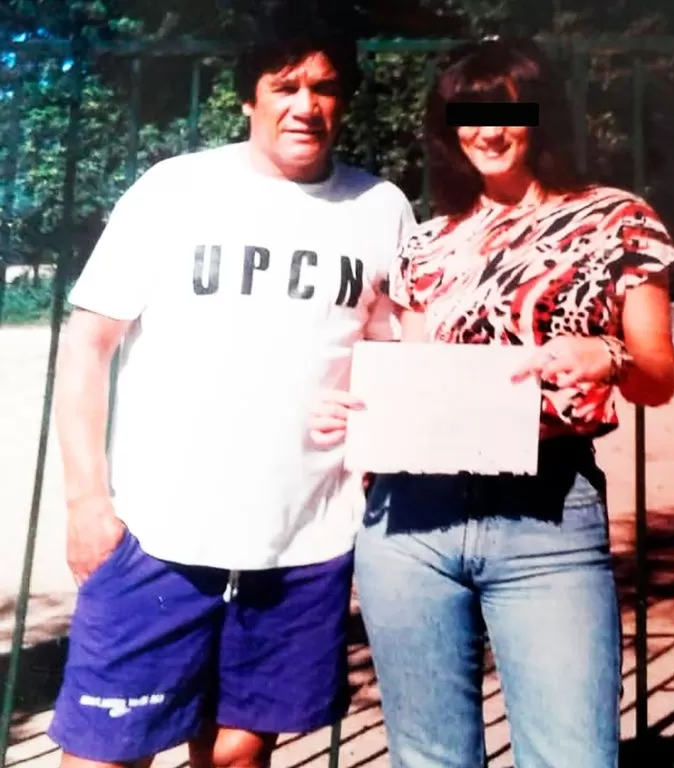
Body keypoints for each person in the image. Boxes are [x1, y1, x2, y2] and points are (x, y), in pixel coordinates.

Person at [49, 8, 415, 768]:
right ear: (250, 96)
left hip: (303, 539)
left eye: (324, 88)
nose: (305, 105)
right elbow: (87, 344)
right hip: (159, 533)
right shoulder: (175, 189)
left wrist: (377, 425)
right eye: (285, 86)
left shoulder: (381, 208)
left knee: (239, 754)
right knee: (105, 756)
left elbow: (398, 358)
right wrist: (87, 503)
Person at [309, 38, 674, 768]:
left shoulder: (618, 221)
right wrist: (357, 414)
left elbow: (660, 377)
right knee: (430, 759)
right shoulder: (425, 243)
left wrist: (608, 355)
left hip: (547, 517)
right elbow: (419, 380)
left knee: (572, 756)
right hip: (411, 523)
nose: (485, 131)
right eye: (466, 115)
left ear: (541, 115)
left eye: (506, 111)